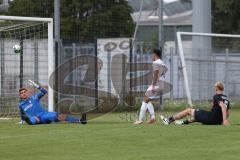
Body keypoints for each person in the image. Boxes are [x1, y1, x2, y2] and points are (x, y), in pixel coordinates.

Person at [18, 80, 87, 125]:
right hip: (34, 117)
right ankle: (30, 122)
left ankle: (80, 121)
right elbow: (22, 114)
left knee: (58, 116)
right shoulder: (21, 105)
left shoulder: (34, 97)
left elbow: (44, 92)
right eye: (21, 93)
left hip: (43, 115)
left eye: (25, 92)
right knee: (33, 120)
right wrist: (21, 121)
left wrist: (37, 86)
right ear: (20, 95)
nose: (23, 93)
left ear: (27, 93)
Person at [160, 82, 230, 126]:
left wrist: (224, 120)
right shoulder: (226, 98)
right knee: (197, 117)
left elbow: (223, 107)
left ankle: (169, 120)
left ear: (217, 88)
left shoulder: (217, 96)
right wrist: (220, 120)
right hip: (216, 121)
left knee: (189, 110)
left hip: (211, 118)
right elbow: (227, 113)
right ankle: (181, 123)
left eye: (215, 87)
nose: (214, 88)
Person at [134, 48, 168, 124]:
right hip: (162, 84)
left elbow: (156, 74)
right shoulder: (162, 63)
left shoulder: (156, 63)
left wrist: (153, 86)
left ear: (155, 54)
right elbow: (166, 70)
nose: (151, 56)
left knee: (145, 100)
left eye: (152, 54)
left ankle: (140, 120)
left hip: (156, 84)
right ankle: (152, 119)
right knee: (147, 100)